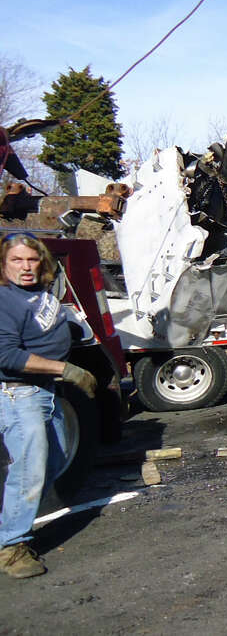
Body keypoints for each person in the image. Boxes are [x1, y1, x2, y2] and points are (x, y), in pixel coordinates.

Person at [0, 233, 97, 579]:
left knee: (53, 463)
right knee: (29, 470)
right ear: (4, 264)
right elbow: (7, 356)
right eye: (16, 260)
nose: (25, 267)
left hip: (45, 393)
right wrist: (65, 369)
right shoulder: (4, 300)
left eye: (31, 259)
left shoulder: (37, 294)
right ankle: (11, 547)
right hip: (18, 394)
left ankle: (11, 521)